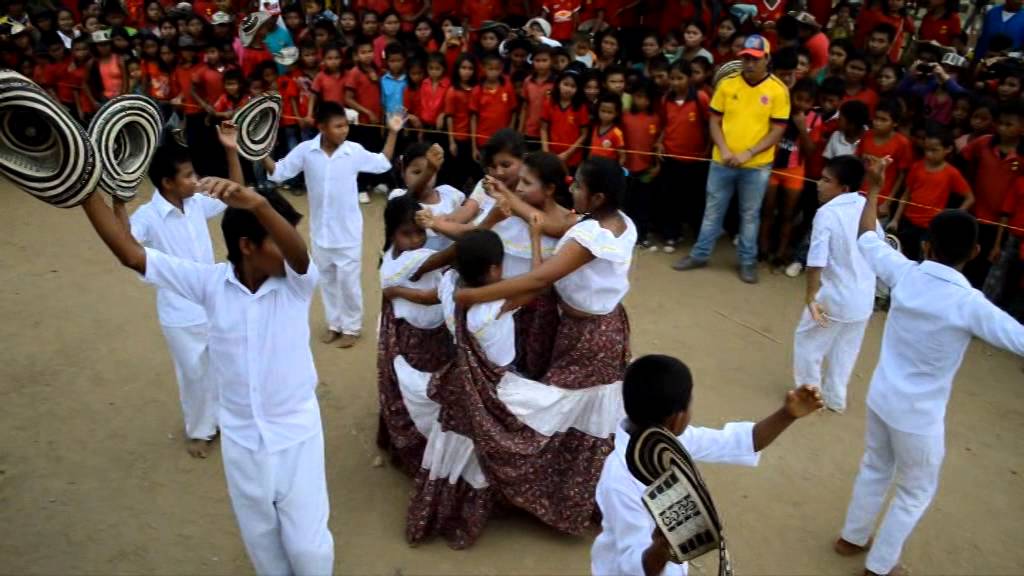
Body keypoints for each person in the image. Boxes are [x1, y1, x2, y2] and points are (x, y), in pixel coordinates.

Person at [81, 173, 334, 575]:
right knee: (264, 544)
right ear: (247, 247)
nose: (289, 249)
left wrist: (261, 205)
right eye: (276, 239)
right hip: (242, 443)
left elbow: (300, 255)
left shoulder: (296, 284)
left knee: (310, 549)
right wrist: (83, 191)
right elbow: (132, 255)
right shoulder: (209, 284)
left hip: (296, 436)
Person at [835, 156, 1024, 576]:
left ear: (926, 245)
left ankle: (852, 536)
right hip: (919, 418)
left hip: (881, 397)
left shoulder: (906, 273)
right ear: (975, 252)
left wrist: (875, 185)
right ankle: (881, 565)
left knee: (875, 466)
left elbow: (867, 235)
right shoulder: (969, 303)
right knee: (915, 490)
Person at [591, 354, 824, 576]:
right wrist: (663, 546)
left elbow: (737, 442)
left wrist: (787, 414)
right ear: (677, 418)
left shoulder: (670, 440)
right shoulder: (619, 480)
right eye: (690, 403)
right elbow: (634, 565)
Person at [126, 126, 242, 458]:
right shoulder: (147, 216)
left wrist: (231, 150)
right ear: (167, 183)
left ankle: (226, 420)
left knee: (224, 363)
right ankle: (201, 429)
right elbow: (126, 244)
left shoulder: (197, 203)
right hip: (179, 313)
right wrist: (118, 202)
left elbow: (236, 191)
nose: (196, 179)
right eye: (189, 175)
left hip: (214, 301)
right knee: (192, 373)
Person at [261, 102, 403, 348]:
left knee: (348, 283)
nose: (344, 130)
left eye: (345, 125)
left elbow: (382, 162)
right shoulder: (306, 151)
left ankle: (351, 326)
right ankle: (334, 324)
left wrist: (393, 132)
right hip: (320, 233)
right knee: (326, 280)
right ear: (322, 127)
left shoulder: (353, 151)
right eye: (338, 126)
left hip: (347, 233)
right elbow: (279, 172)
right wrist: (260, 151)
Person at [673, 35, 790, 284]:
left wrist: (749, 153)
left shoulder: (778, 90)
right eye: (746, 58)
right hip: (722, 160)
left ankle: (748, 262)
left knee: (749, 214)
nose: (749, 63)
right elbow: (714, 120)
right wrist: (724, 149)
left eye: (755, 59)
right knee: (713, 210)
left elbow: (777, 130)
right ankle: (700, 254)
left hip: (756, 165)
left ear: (767, 59)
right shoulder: (727, 84)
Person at [794, 155, 880, 414]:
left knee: (808, 342)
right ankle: (835, 398)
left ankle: (810, 396)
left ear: (843, 188)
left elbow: (816, 259)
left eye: (826, 180)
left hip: (835, 296)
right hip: (863, 298)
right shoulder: (865, 204)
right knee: (846, 350)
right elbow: (878, 244)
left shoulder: (827, 213)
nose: (819, 184)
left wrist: (811, 296)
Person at [376, 194, 454, 475]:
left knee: (429, 392)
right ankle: (415, 451)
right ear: (392, 233)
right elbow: (430, 295)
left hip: (432, 333)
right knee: (416, 393)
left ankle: (426, 444)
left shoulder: (407, 254)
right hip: (415, 339)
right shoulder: (406, 261)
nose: (416, 239)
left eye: (420, 232)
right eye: (406, 233)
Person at [887, 128, 974, 261]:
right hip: (908, 222)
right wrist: (895, 219)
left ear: (948, 149)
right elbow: (906, 195)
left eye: (934, 150)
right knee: (901, 258)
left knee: (923, 261)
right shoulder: (917, 167)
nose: (929, 154)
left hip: (930, 227)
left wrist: (951, 217)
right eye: (926, 150)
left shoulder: (951, 173)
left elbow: (969, 198)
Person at [656, 57, 709, 253]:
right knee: (670, 198)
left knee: (695, 200)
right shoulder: (665, 99)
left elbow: (710, 125)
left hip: (695, 159)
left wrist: (707, 150)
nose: (675, 82)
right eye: (672, 78)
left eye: (680, 78)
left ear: (689, 78)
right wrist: (660, 142)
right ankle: (671, 235)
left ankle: (698, 237)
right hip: (671, 157)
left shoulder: (701, 98)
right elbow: (664, 125)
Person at [388, 143, 466, 251]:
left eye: (432, 172)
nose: (426, 178)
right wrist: (429, 171)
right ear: (403, 172)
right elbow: (409, 198)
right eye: (417, 172)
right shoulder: (398, 196)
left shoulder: (450, 194)